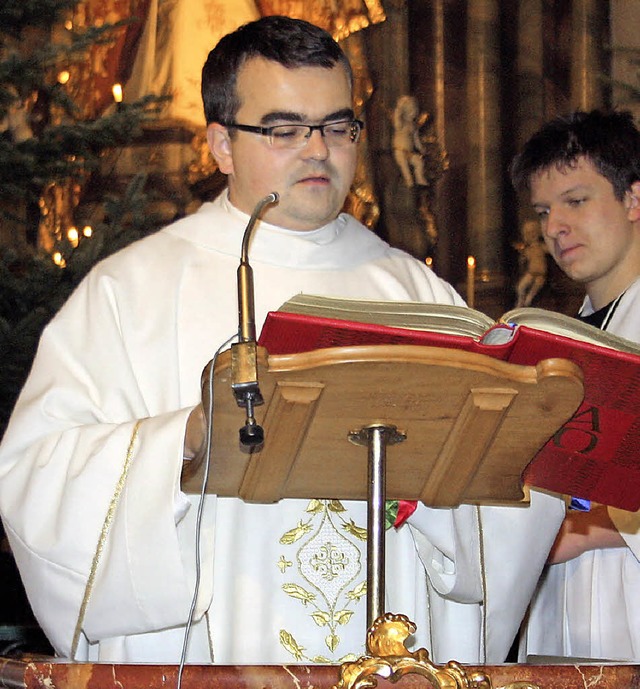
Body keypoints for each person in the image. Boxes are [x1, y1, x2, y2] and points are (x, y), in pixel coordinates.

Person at [0, 16, 564, 665]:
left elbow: (509, 501)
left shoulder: (418, 295)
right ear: (220, 144)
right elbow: (36, 477)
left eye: (336, 126)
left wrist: (440, 485)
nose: (317, 149)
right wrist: (181, 439)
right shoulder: (130, 293)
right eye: (284, 129)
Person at [511, 108, 640, 661]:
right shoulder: (559, 338)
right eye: (544, 210)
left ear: (634, 200)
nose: (553, 226)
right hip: (557, 612)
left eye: (576, 200)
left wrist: (585, 531)